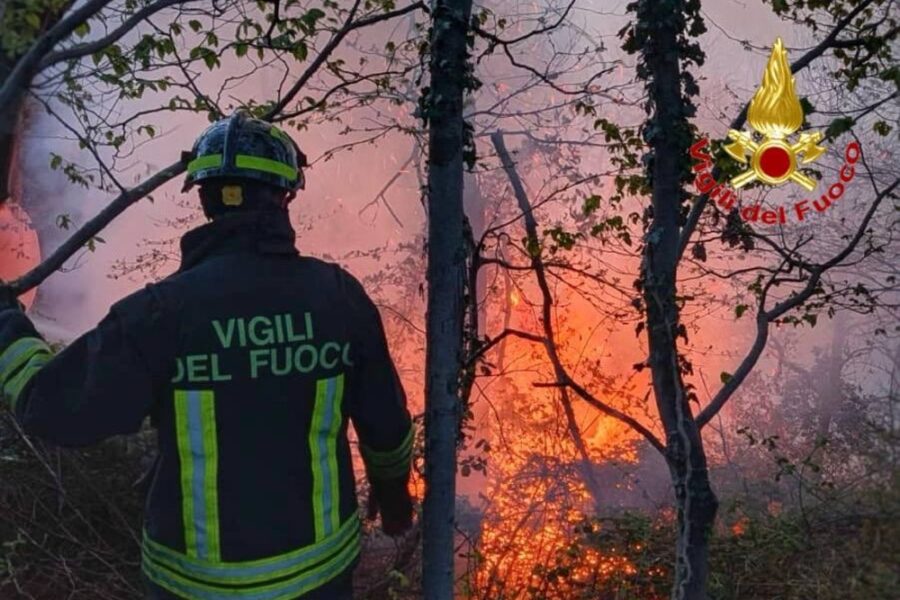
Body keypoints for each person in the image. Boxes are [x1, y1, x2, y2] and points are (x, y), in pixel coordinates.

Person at [0, 112, 414, 599]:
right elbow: (386, 424)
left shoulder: (159, 314)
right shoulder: (338, 298)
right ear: (286, 196)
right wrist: (393, 497)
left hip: (191, 584)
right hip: (317, 576)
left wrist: (7, 323)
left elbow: (53, 408)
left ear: (203, 198)